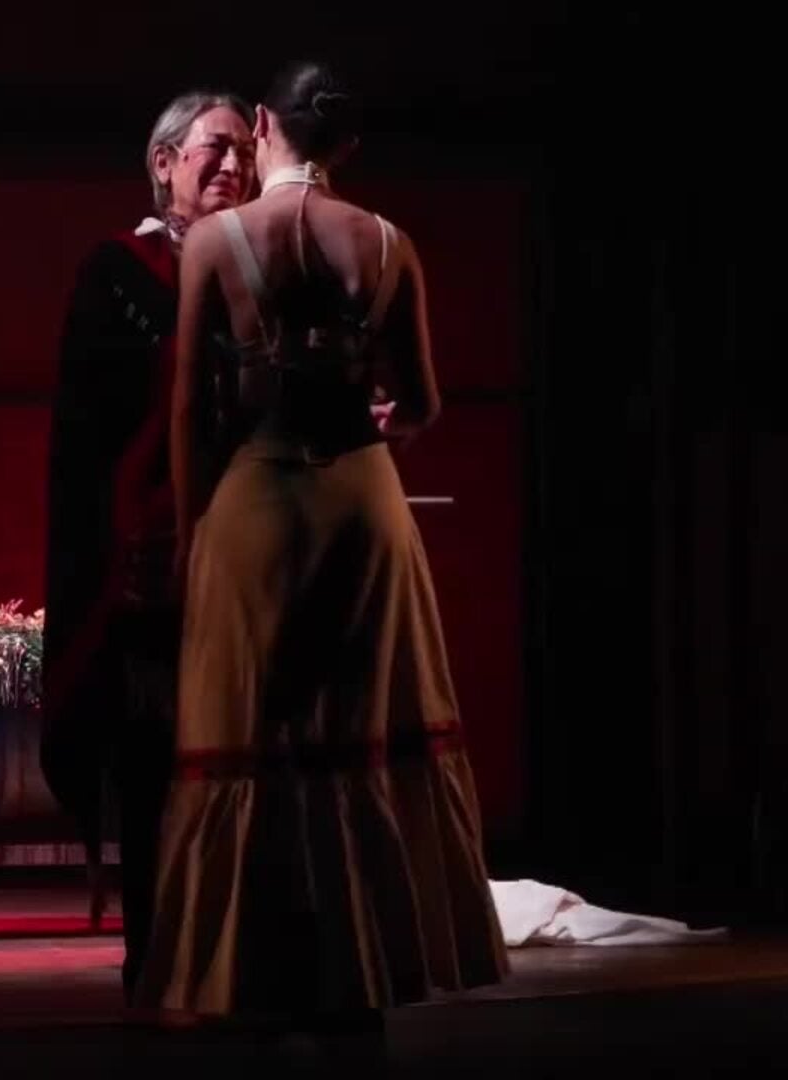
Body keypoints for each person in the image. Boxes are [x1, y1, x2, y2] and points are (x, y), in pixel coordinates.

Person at [133, 61, 510, 1028]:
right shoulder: (388, 243)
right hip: (363, 503)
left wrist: (190, 529)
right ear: (346, 146)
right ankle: (365, 974)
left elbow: (188, 406)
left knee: (248, 734)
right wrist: (382, 423)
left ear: (264, 124)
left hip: (256, 498)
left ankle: (243, 978)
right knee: (361, 734)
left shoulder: (214, 242)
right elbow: (422, 402)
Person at [40, 89, 255, 1001]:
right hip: (153, 566)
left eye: (244, 150)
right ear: (164, 164)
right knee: (156, 765)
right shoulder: (117, 276)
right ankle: (156, 961)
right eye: (214, 148)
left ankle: (244, 962)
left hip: (249, 565)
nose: (232, 165)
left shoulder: (267, 269)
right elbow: (85, 439)